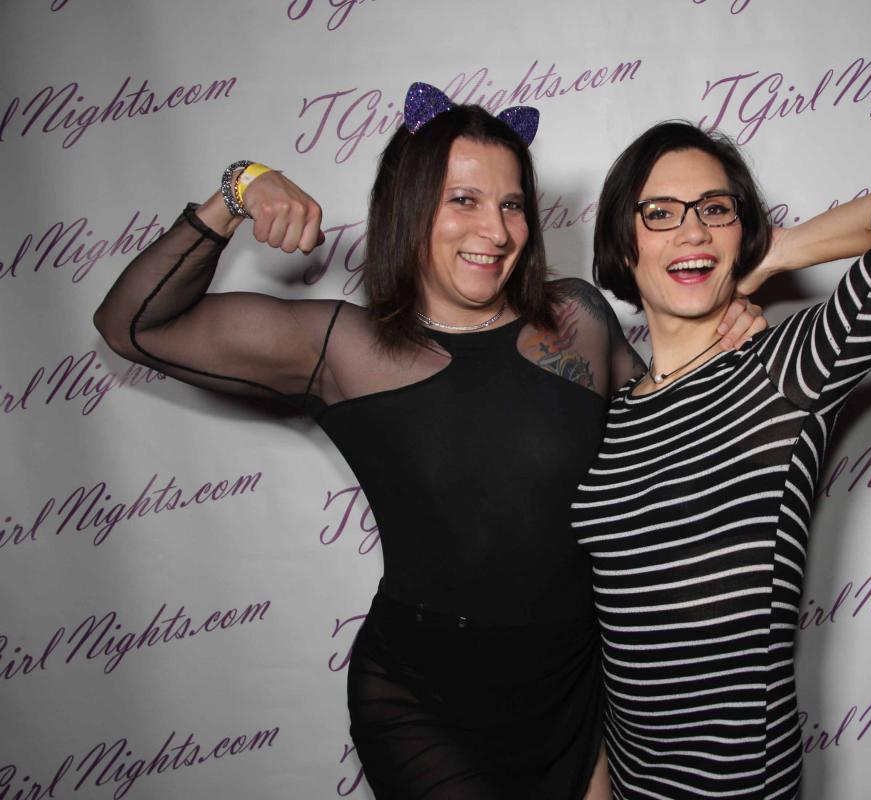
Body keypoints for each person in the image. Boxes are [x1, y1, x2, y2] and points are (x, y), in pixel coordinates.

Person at [92, 86, 766, 800]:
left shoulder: (575, 319)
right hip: (424, 705)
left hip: (573, 691)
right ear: (409, 206)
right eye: (463, 200)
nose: (496, 230)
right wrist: (238, 189)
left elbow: (658, 437)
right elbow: (132, 326)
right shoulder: (343, 348)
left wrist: (721, 329)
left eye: (512, 204)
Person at [572, 122, 871, 798]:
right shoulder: (613, 410)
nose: (693, 231)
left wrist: (775, 252)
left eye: (716, 209)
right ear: (624, 241)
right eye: (661, 213)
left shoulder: (784, 372)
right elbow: (609, 633)